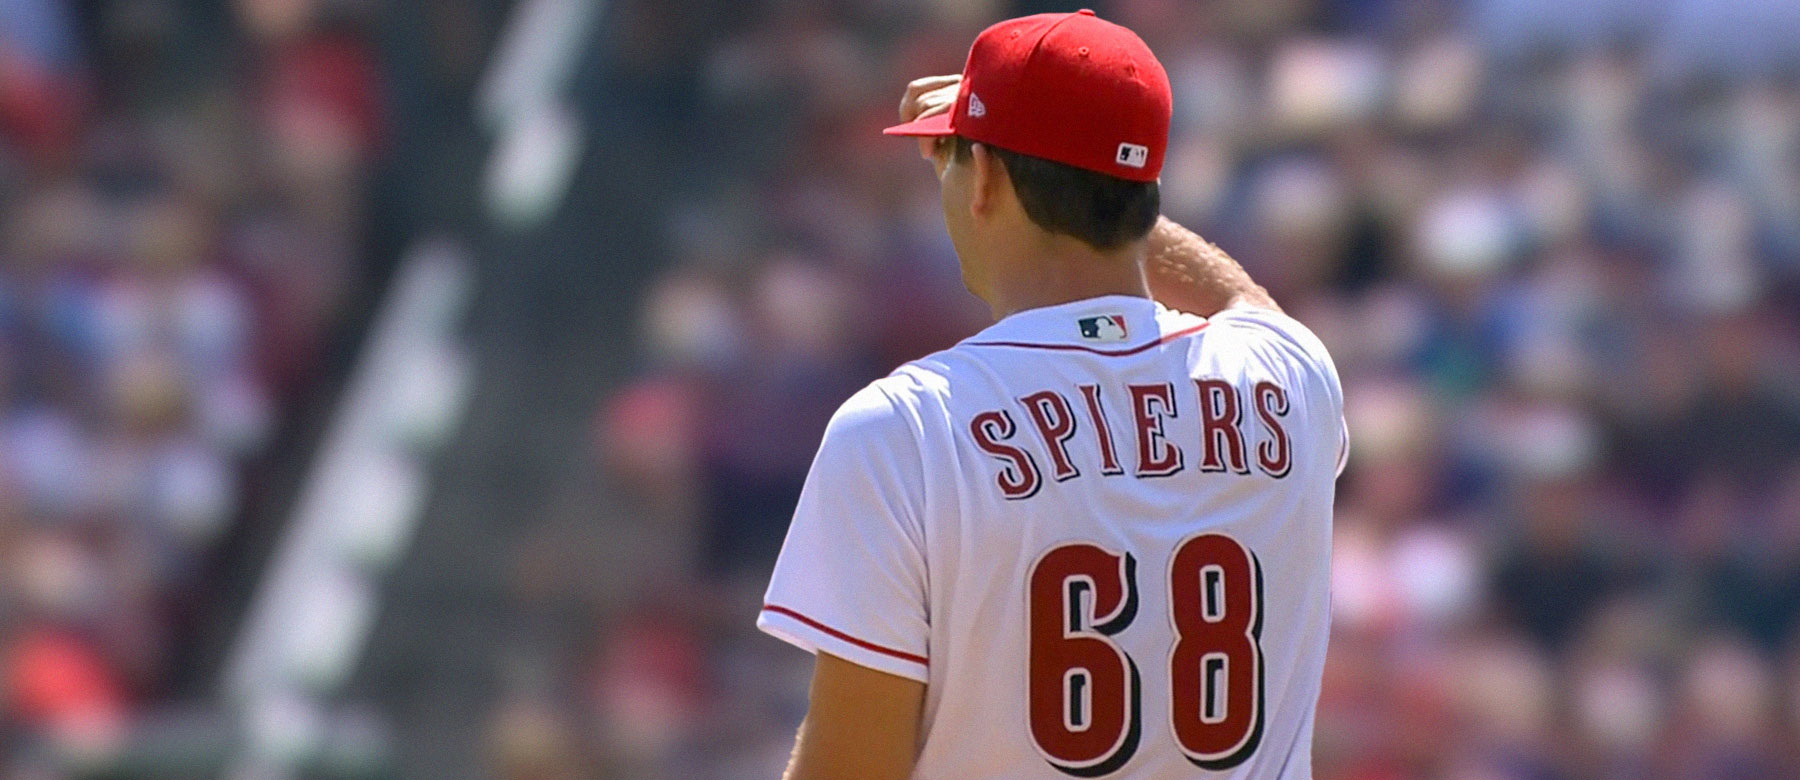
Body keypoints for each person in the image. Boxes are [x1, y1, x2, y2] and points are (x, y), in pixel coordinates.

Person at [756, 10, 1347, 780]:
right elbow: (1245, 302)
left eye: (953, 159)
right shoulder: (1291, 377)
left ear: (986, 179)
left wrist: (1039, 155)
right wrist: (1089, 174)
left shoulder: (904, 429)